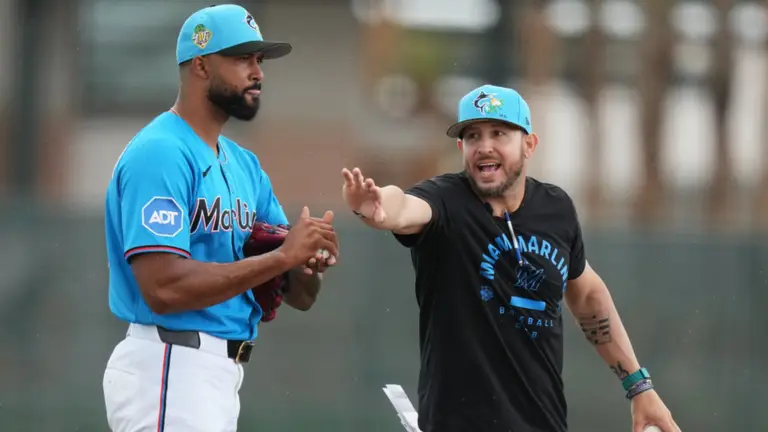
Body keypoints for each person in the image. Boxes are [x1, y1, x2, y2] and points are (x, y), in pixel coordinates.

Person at [341, 84, 680, 432]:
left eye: (499, 133)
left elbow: (587, 294)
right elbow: (403, 207)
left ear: (529, 144)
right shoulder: (445, 201)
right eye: (473, 136)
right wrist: (376, 207)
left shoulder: (556, 209)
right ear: (461, 148)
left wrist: (639, 386)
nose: (484, 145)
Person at [101, 5, 339, 432]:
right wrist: (282, 258)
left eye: (259, 60)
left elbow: (300, 296)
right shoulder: (161, 152)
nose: (258, 73)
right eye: (242, 58)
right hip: (169, 364)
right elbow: (163, 288)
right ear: (200, 65)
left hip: (219, 375)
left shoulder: (245, 165)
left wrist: (307, 261)